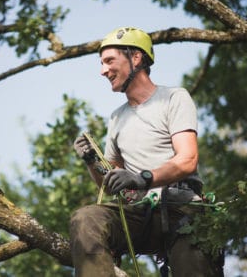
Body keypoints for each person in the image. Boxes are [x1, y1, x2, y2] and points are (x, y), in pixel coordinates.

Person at [71, 27, 224, 277]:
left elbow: (187, 161)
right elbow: (110, 184)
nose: (103, 71)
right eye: (101, 63)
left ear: (136, 58)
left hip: (182, 210)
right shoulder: (117, 118)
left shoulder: (173, 97)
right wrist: (91, 161)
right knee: (87, 218)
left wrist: (141, 178)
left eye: (109, 61)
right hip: (141, 214)